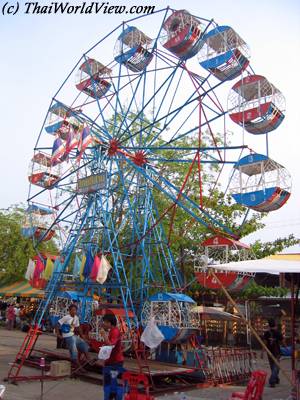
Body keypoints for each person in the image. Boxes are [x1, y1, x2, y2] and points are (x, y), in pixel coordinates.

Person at [55, 304, 90, 370]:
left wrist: (83, 337)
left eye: (75, 310)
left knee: (84, 345)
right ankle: (79, 367)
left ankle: (89, 360)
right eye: (73, 310)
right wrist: (58, 334)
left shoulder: (76, 318)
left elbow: (78, 327)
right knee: (74, 352)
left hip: (73, 336)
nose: (74, 311)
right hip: (68, 337)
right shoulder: (66, 317)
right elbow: (57, 324)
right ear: (69, 311)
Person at [101, 314, 124, 400]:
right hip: (111, 361)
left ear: (110, 323)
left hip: (115, 362)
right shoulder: (112, 330)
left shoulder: (115, 331)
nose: (104, 324)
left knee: (112, 385)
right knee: (109, 384)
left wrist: (104, 335)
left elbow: (111, 345)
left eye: (105, 322)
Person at [263, 318, 283, 387]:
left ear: (269, 325)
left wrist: (263, 352)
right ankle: (272, 380)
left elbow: (264, 343)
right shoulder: (278, 332)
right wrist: (286, 347)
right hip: (277, 352)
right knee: (276, 367)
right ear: (275, 324)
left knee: (273, 366)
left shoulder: (266, 333)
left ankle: (276, 378)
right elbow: (282, 341)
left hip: (269, 352)